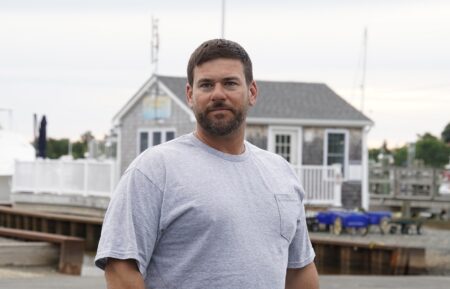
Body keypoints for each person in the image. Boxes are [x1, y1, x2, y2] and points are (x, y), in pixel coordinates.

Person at [95, 39, 319, 289]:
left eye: (230, 83)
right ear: (190, 95)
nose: (218, 94)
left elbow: (300, 269)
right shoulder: (155, 170)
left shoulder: (281, 173)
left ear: (252, 92)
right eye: (206, 85)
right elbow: (120, 269)